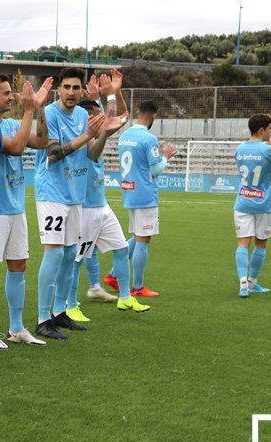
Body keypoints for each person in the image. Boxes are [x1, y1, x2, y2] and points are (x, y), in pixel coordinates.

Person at [0, 73, 52, 349]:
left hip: (15, 208)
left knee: (18, 266)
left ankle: (16, 328)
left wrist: (39, 109)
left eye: (11, 93)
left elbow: (43, 141)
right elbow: (16, 148)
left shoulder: (13, 124)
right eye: (6, 93)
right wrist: (30, 109)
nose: (11, 97)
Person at [34, 68, 112, 340]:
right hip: (52, 194)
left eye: (75, 88)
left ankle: (60, 311)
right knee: (54, 254)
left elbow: (91, 155)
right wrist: (88, 135)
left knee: (70, 255)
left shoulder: (82, 115)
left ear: (81, 91)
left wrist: (103, 134)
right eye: (66, 87)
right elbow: (53, 153)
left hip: (76, 196)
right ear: (59, 90)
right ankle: (43, 317)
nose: (70, 92)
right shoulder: (51, 114)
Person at [67, 73, 149, 318]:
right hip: (84, 208)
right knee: (76, 259)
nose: (100, 119)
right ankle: (70, 305)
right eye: (94, 116)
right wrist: (106, 98)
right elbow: (92, 153)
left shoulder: (98, 132)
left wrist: (114, 92)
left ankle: (125, 298)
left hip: (101, 206)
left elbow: (120, 117)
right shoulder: (80, 139)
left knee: (122, 249)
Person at [106, 100, 176, 298]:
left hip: (129, 190)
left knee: (138, 235)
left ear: (138, 112)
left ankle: (113, 275)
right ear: (154, 115)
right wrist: (165, 157)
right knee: (144, 239)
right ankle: (137, 286)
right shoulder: (149, 138)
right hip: (145, 194)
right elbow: (155, 169)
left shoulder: (124, 135)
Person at [233, 113, 271, 298]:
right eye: (270, 128)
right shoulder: (269, 151)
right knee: (260, 244)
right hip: (264, 205)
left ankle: (242, 284)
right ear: (261, 130)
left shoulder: (239, 149)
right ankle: (252, 282)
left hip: (242, 202)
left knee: (242, 244)